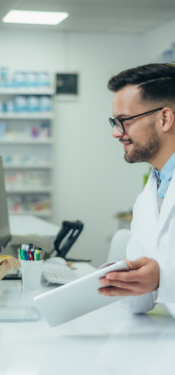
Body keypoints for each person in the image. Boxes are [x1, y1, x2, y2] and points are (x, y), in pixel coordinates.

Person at [99, 63, 175, 316]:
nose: (115, 133)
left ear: (165, 118)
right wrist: (121, 279)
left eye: (124, 121)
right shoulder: (148, 198)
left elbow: (161, 280)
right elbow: (139, 303)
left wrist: (161, 278)